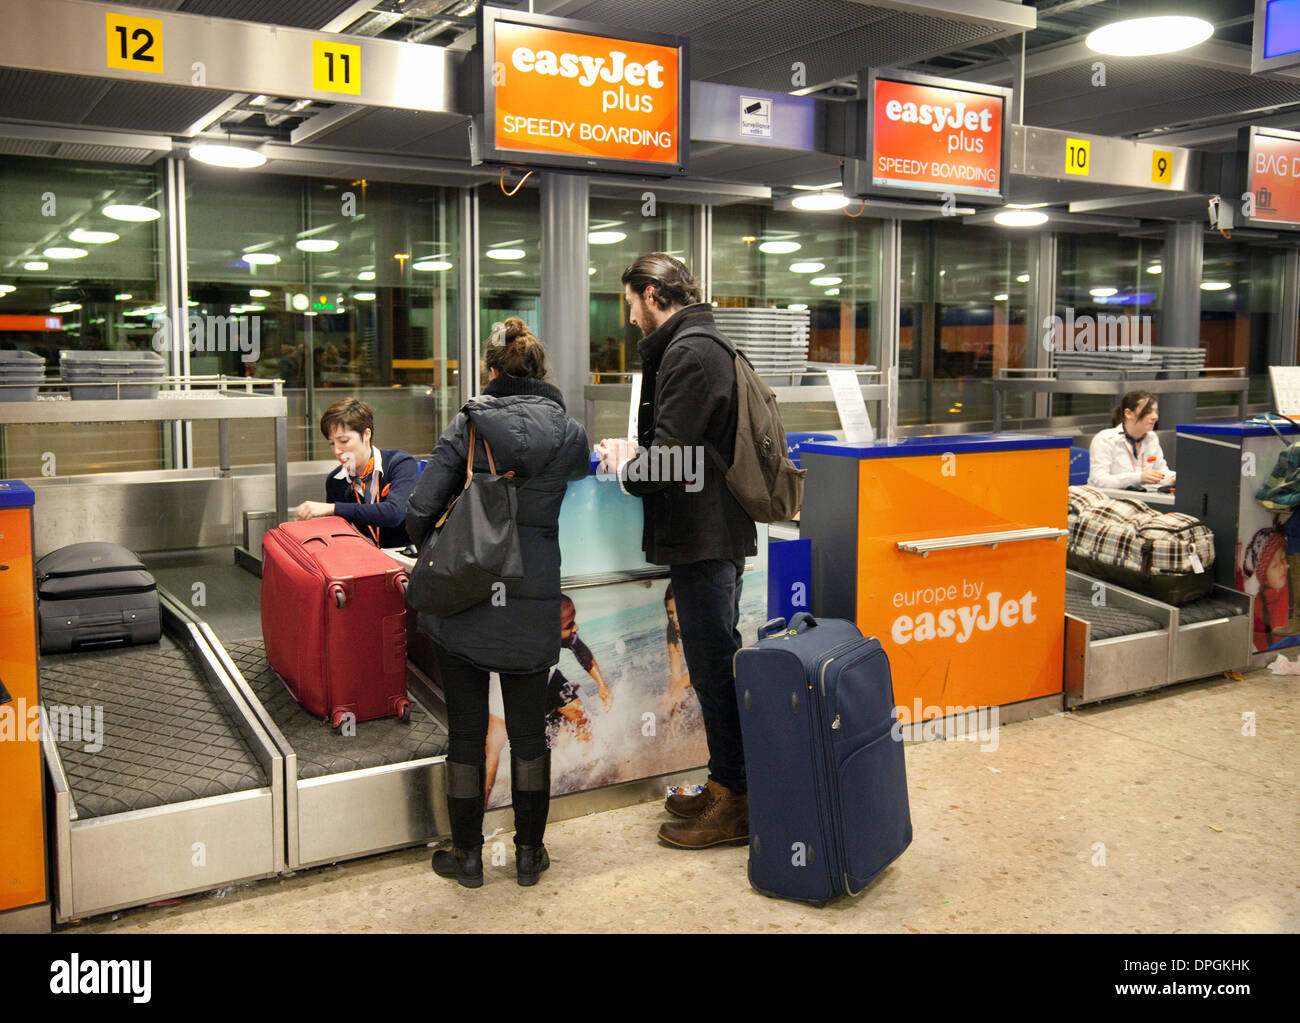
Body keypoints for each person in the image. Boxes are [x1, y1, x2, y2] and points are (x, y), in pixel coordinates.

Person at [405, 318, 589, 888]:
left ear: (491, 370)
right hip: (533, 603)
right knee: (530, 733)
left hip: (465, 599)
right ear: (540, 371)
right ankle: (530, 855)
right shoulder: (571, 433)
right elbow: (584, 477)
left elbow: (418, 511)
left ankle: (466, 858)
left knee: (466, 731)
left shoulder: (469, 424)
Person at [615, 253, 756, 849]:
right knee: (711, 664)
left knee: (715, 669)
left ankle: (738, 803)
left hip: (706, 537)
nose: (629, 320)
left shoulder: (690, 353)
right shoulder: (698, 344)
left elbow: (670, 459)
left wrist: (626, 465)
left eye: (629, 305)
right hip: (708, 532)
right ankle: (726, 783)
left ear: (651, 294)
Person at [294, 397, 419, 549]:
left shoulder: (400, 464)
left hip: (412, 555)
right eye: (332, 443)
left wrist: (332, 508)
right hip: (373, 557)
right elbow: (338, 534)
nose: (337, 450)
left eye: (344, 441)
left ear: (366, 434)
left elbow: (394, 513)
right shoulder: (336, 480)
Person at [1088, 391, 1175, 491]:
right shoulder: (1105, 439)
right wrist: (1138, 477)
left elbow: (1161, 471)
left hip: (1143, 497)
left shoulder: (1152, 438)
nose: (1155, 416)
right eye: (1148, 412)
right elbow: (1099, 480)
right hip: (1109, 499)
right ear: (1128, 413)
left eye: (1156, 411)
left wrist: (1175, 478)